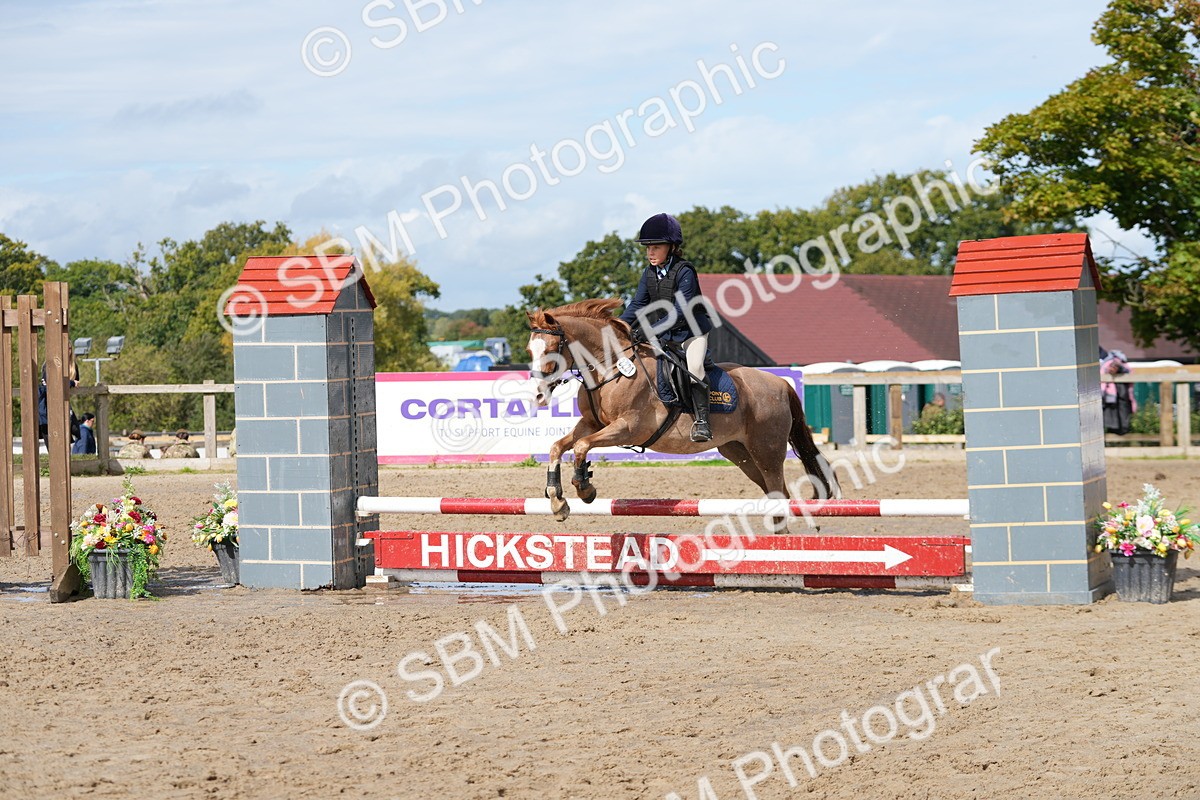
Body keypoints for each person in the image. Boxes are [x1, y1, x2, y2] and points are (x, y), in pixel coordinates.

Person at [619, 213, 715, 442]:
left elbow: (681, 313)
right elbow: (638, 304)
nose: (650, 252)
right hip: (667, 333)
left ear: (671, 247)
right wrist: (618, 326)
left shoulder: (685, 272)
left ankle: (703, 422)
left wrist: (650, 330)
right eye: (647, 248)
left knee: (694, 368)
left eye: (656, 247)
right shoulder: (649, 273)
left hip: (692, 332)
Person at [1101, 349, 1136, 435]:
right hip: (1112, 394)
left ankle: (1121, 431)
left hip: (1120, 392)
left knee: (1122, 413)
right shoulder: (1108, 364)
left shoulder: (1119, 365)